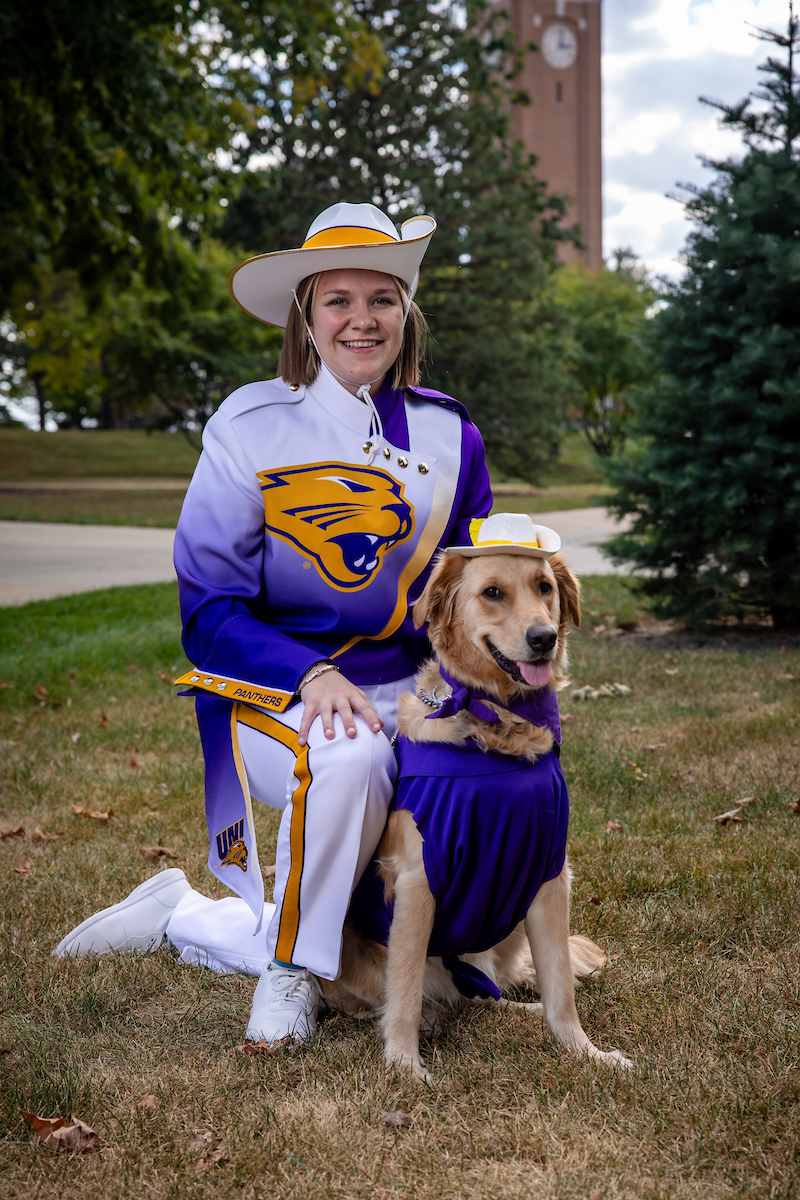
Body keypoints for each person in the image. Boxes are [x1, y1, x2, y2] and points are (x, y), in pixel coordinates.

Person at [53, 201, 492, 1044]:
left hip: (409, 685)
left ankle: (189, 914)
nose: (362, 319)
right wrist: (312, 673)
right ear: (307, 314)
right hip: (272, 688)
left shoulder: (451, 430)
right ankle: (291, 969)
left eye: (383, 298)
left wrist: (478, 686)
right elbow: (207, 607)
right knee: (353, 748)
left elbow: (467, 589)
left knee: (477, 773)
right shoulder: (248, 425)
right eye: (339, 300)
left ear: (407, 311)